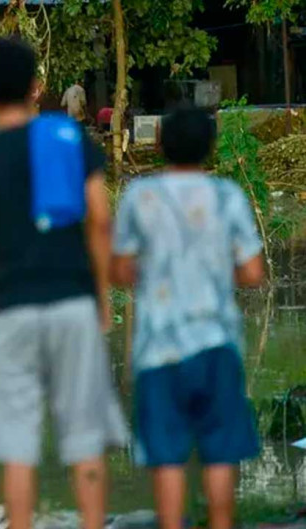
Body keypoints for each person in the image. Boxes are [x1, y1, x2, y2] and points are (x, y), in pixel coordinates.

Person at [0, 38, 127, 529]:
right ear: (35, 88)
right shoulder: (69, 141)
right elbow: (100, 222)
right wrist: (102, 295)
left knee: (17, 443)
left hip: (13, 311)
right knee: (85, 435)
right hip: (73, 304)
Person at [111, 106, 264, 529]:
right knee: (220, 449)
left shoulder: (139, 197)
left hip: (159, 348)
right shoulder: (227, 196)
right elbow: (253, 273)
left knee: (167, 455)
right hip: (217, 344)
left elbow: (119, 271)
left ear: (159, 146)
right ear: (209, 149)